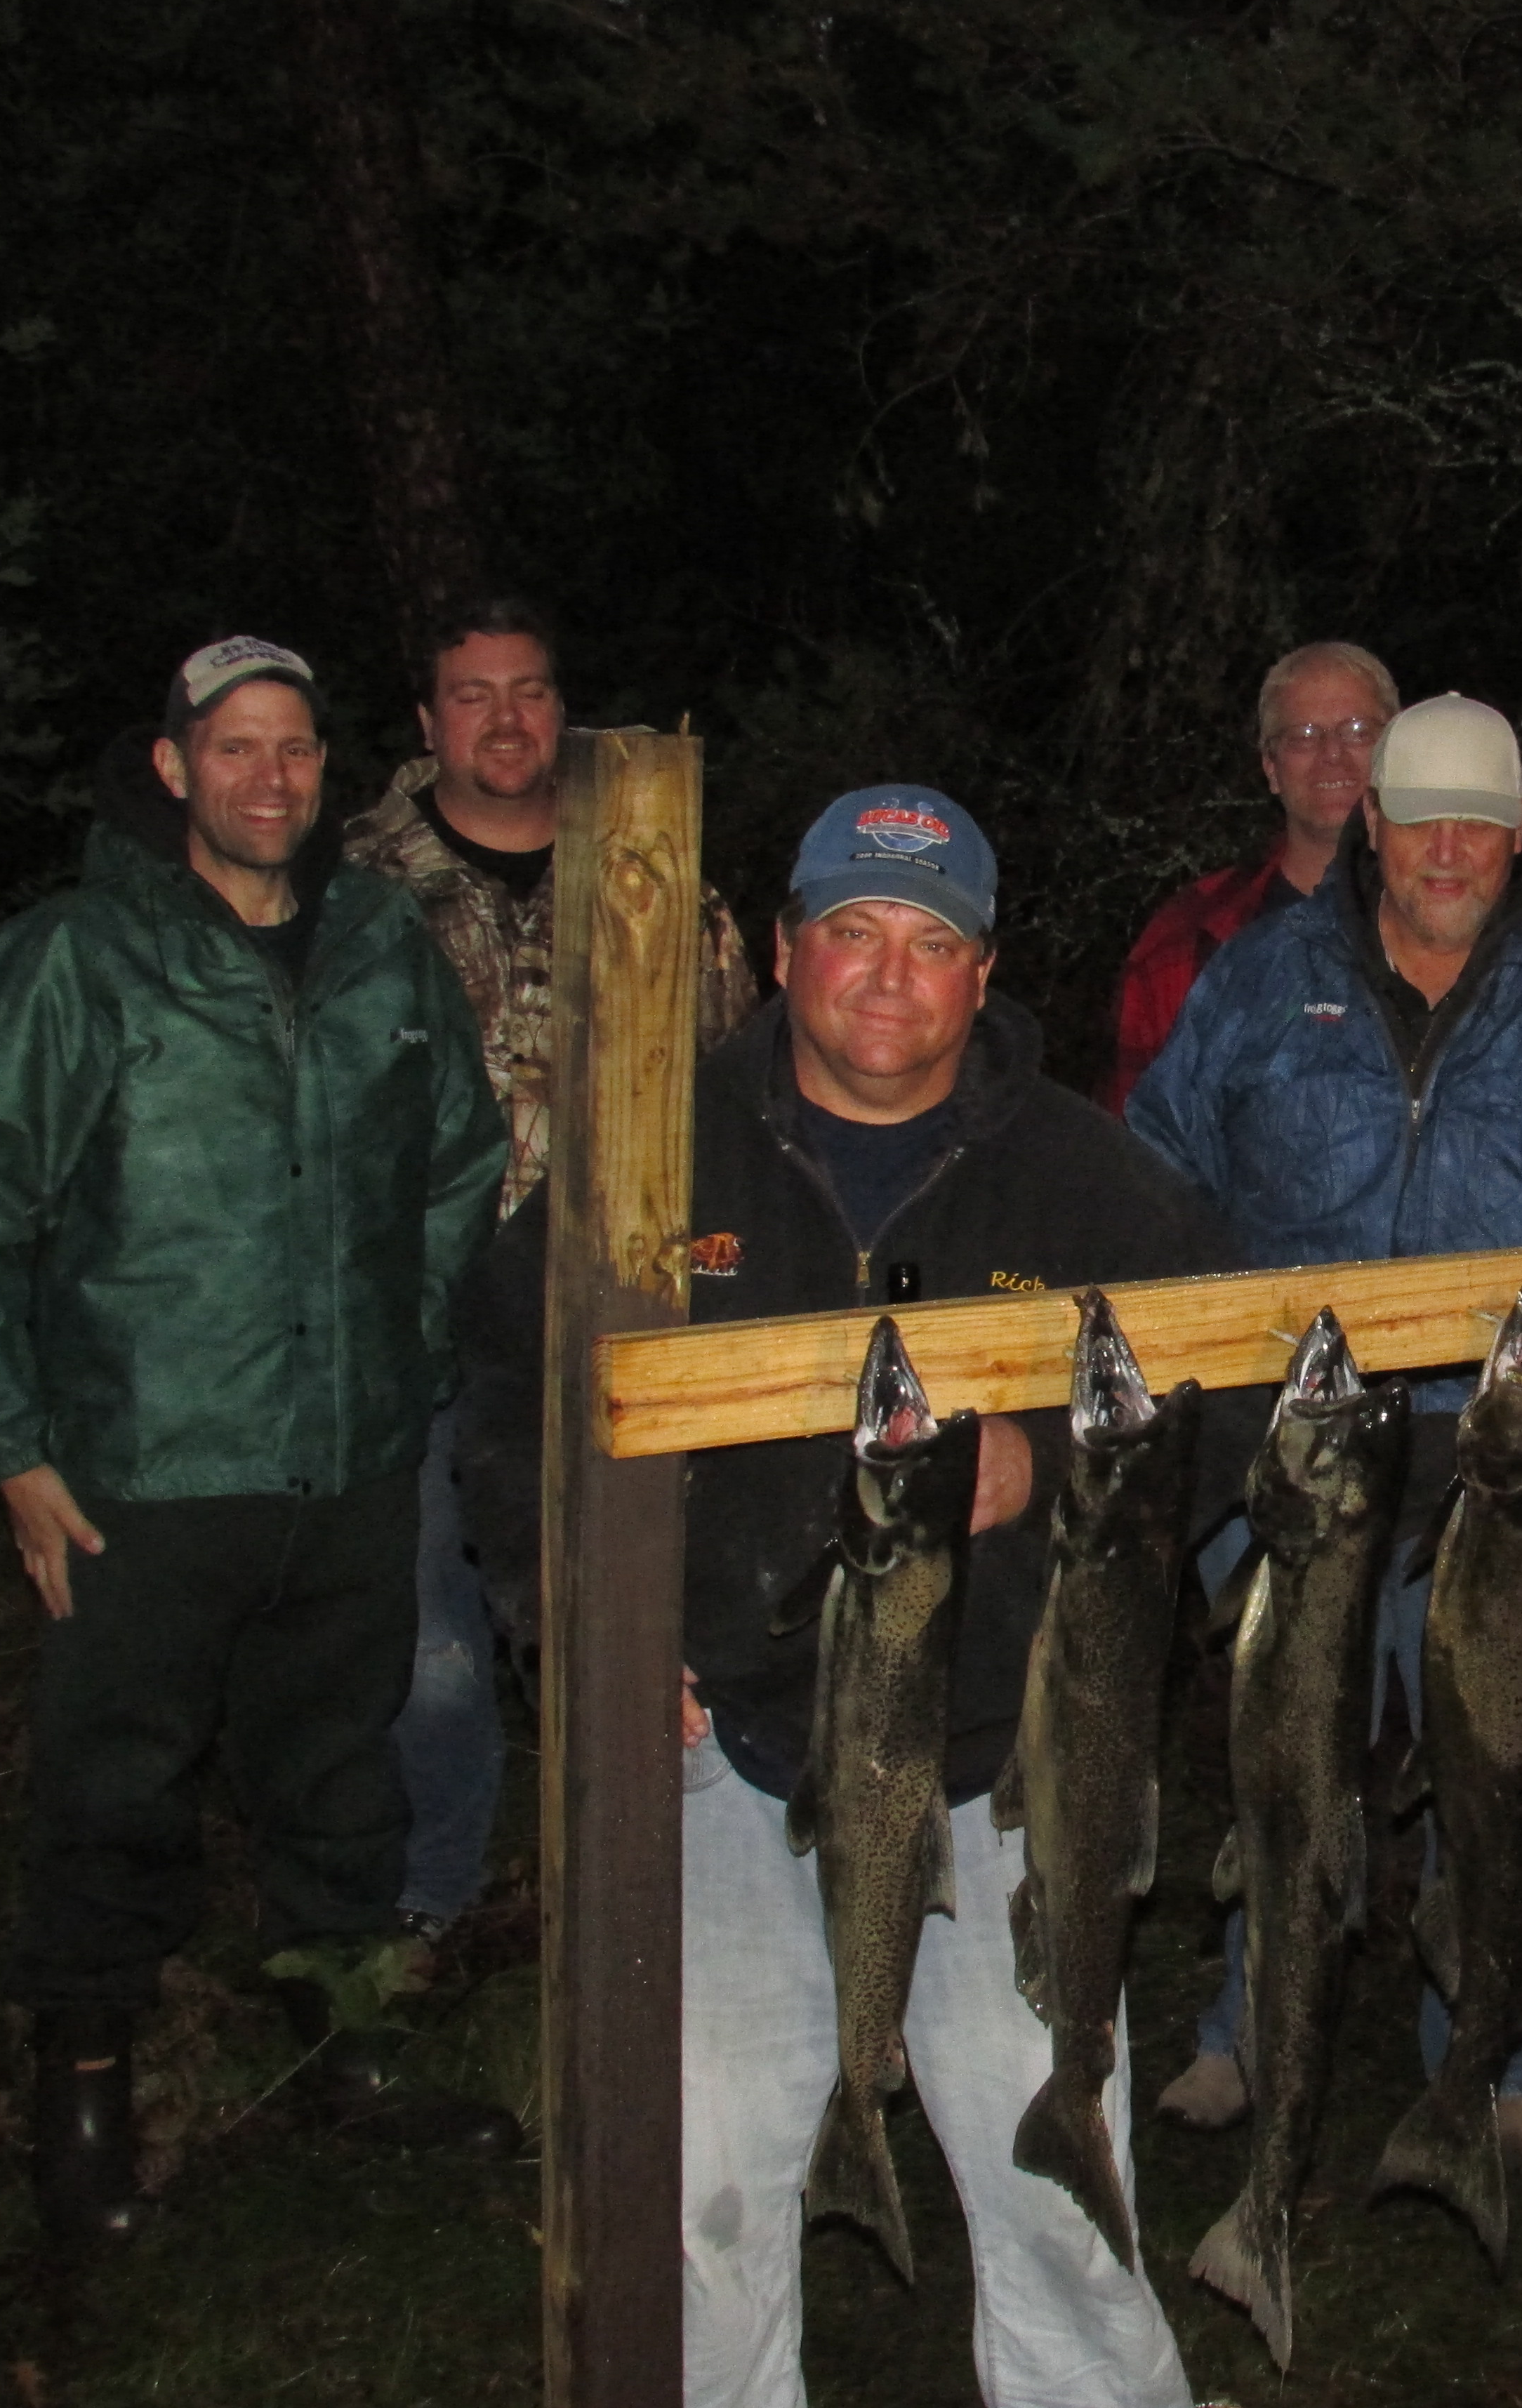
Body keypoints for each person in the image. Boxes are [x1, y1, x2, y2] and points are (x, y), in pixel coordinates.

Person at [460, 787, 1236, 2408]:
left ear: (983, 970)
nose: (890, 976)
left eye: (931, 940)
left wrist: (1055, 1458)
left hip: (998, 1758)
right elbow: (504, 1406)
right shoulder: (654, 1150)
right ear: (788, 949)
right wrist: (585, 1642)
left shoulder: (1103, 1185)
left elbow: (1213, 1430)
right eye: (855, 932)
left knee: (1062, 2183)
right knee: (706, 2181)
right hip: (732, 1739)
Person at [0, 637, 516, 2249]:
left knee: (339, 1780)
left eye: (296, 748)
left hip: (353, 1459)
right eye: (234, 748)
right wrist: (10, 1445)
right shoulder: (79, 958)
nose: (270, 777)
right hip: (145, 1471)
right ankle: (83, 2110)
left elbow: (458, 1152)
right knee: (113, 1794)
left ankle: (338, 2048)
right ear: (174, 768)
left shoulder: (382, 943)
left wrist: (408, 1330)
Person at [1129, 691, 1522, 2174]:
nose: (1449, 848)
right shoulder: (1266, 979)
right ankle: (1246, 2025)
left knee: (1502, 1771)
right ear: (1370, 826)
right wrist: (1205, 1420)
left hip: (1517, 1473)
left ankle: (1503, 2052)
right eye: (1421, 817)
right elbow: (1157, 1179)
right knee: (1291, 1757)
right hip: (1313, 1461)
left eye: (1481, 818)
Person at [342, 593, 758, 1947]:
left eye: (530, 690)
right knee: (435, 1650)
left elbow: (739, 1088)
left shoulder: (657, 873)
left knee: (628, 1618)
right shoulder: (353, 889)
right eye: (473, 694)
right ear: (426, 720)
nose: (507, 718)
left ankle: (636, 1904)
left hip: (617, 1315)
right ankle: (434, 1905)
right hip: (414, 1323)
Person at [1099, 639, 1401, 1111]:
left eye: (1359, 731)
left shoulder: (1464, 927)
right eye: (1303, 735)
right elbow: (1135, 1158)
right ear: (1271, 768)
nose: (1332, 755)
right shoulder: (1188, 942)